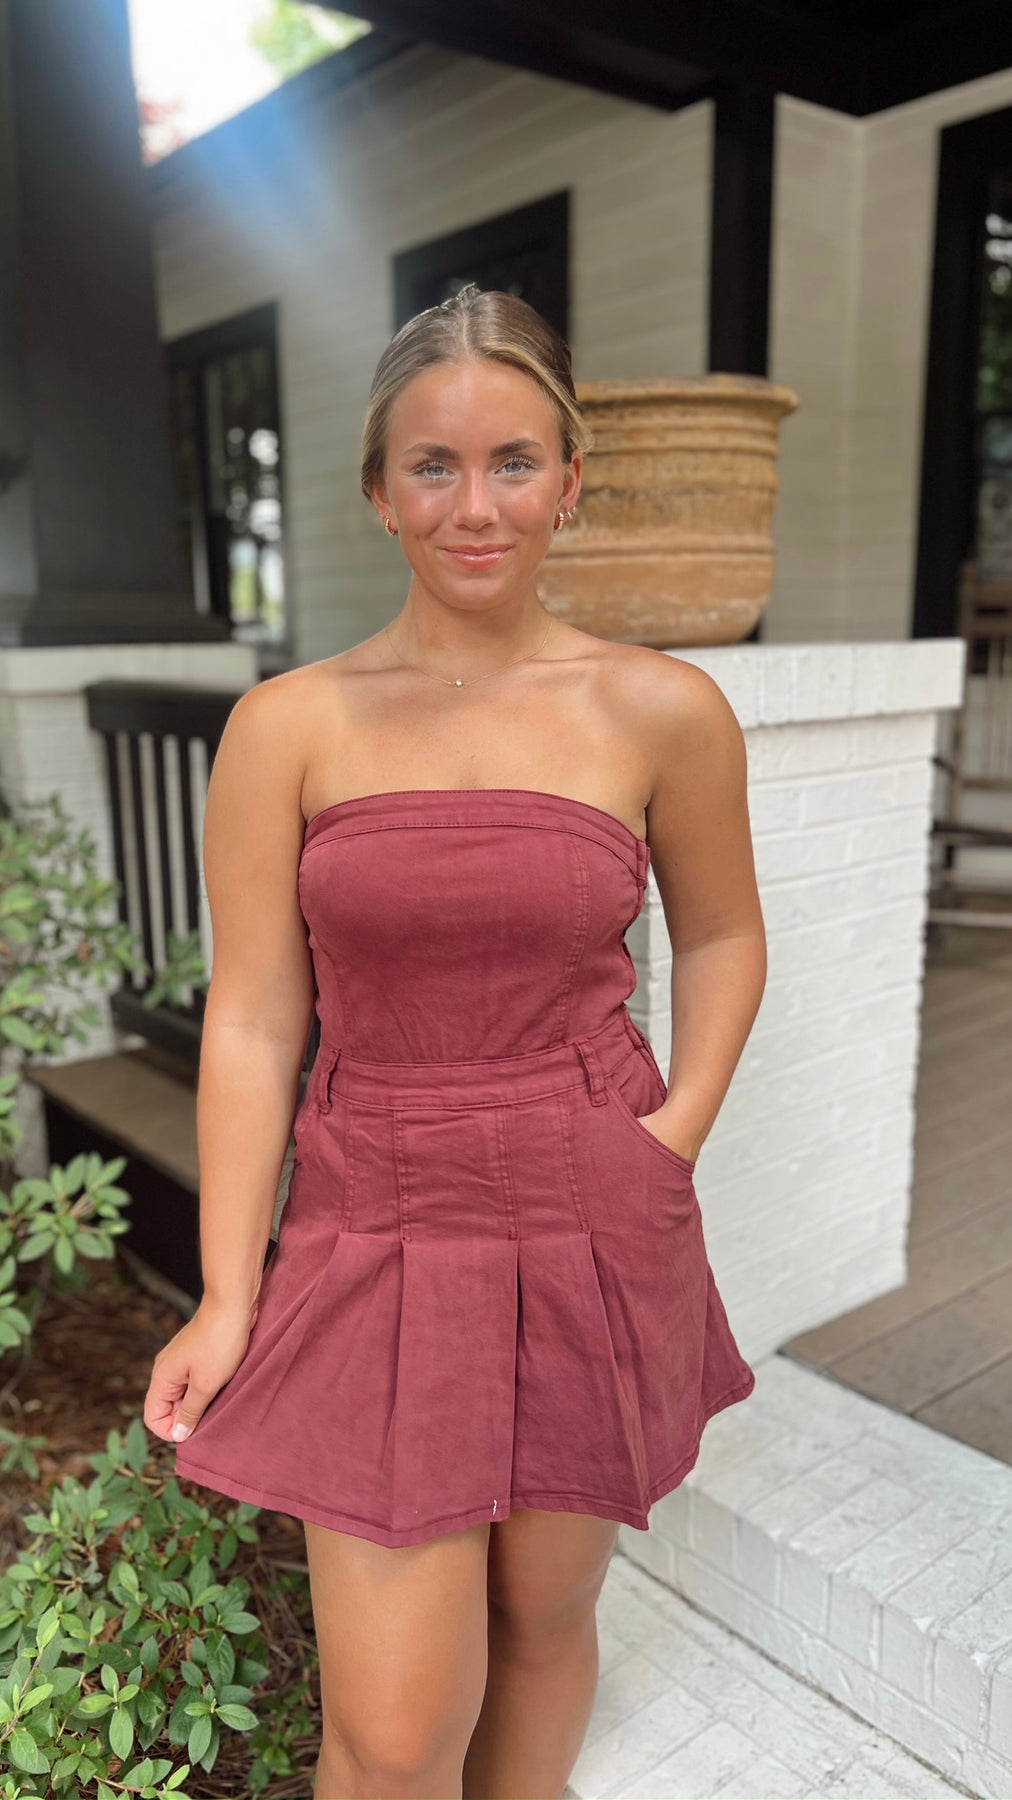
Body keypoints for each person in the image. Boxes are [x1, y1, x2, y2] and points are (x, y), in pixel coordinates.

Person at [143, 283, 766, 1800]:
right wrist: (228, 1292)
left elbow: (723, 937)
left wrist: (669, 1138)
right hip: (376, 1212)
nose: (475, 506)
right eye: (434, 465)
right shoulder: (290, 726)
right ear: (379, 489)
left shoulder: (663, 708)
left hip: (589, 1204)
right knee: (395, 1726)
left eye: (512, 462)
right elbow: (255, 1015)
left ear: (570, 479)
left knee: (542, 1618)